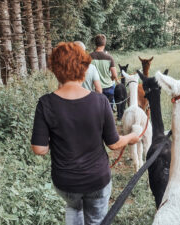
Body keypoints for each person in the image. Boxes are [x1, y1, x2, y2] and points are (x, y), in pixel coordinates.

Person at [31, 42, 139, 225]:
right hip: (97, 179)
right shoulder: (100, 101)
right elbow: (113, 143)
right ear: (84, 68)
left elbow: (39, 149)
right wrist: (131, 137)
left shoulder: (45, 103)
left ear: (55, 69)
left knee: (73, 208)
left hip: (65, 182)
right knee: (96, 220)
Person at [89, 34, 118, 108]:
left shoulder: (89, 57)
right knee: (108, 109)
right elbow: (114, 75)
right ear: (104, 44)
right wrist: (110, 79)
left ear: (95, 43)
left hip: (94, 88)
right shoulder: (109, 57)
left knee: (96, 110)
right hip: (108, 87)